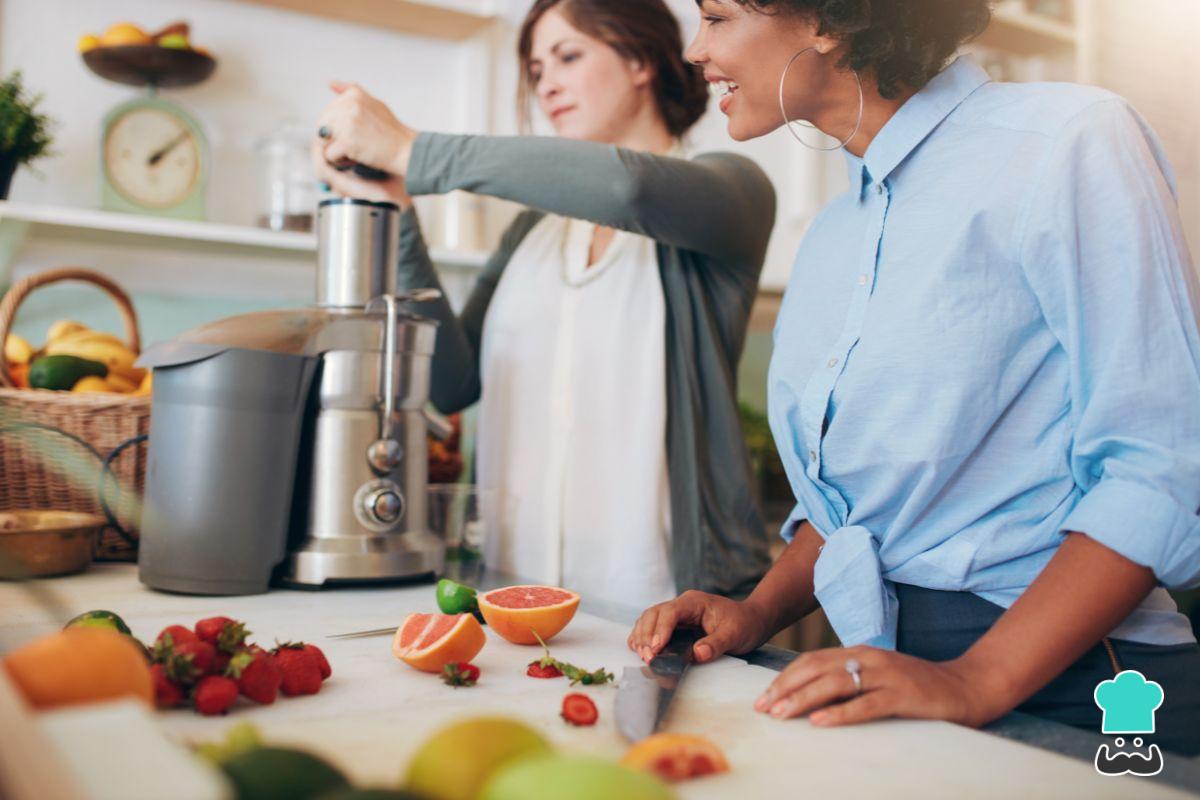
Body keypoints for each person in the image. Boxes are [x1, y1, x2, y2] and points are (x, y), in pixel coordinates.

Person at [628, 0, 1200, 754]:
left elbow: (1158, 466)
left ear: (829, 19)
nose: (698, 50)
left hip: (1086, 683)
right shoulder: (836, 232)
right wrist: (758, 612)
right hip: (898, 673)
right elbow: (859, 512)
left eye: (718, 15)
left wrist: (977, 678)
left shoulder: (1067, 140)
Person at [311, 0, 775, 609]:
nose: (546, 83)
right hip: (509, 597)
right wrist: (400, 211)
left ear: (639, 60)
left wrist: (412, 149)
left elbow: (629, 187)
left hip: (665, 605)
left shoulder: (731, 192)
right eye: (536, 68)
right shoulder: (532, 229)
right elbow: (450, 383)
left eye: (568, 56)